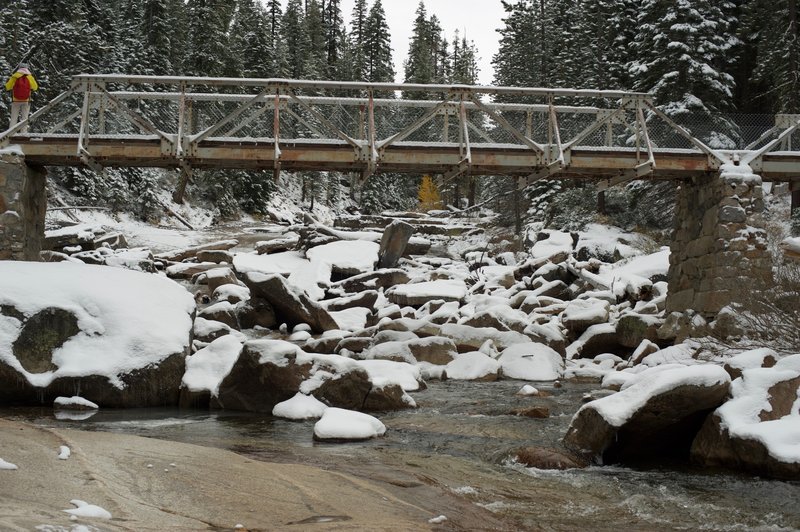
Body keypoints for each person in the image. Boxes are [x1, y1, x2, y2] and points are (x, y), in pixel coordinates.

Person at [4, 64, 39, 132]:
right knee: (25, 118)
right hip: (26, 100)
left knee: (14, 117)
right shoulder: (29, 77)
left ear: (19, 68)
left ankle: (11, 132)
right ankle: (23, 133)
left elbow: (8, 87)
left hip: (16, 100)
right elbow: (35, 87)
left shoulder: (15, 76)